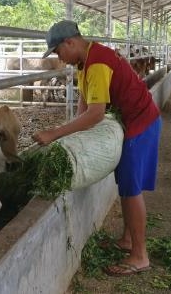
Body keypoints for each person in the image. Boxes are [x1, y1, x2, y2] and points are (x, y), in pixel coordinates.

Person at [32, 20, 162, 276]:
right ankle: (127, 240)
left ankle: (140, 255)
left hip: (141, 122)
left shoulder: (98, 63)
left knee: (132, 189)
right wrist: (66, 137)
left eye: (58, 52)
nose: (59, 58)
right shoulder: (85, 62)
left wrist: (54, 133)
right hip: (131, 121)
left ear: (70, 42)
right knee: (125, 185)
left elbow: (95, 115)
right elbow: (84, 104)